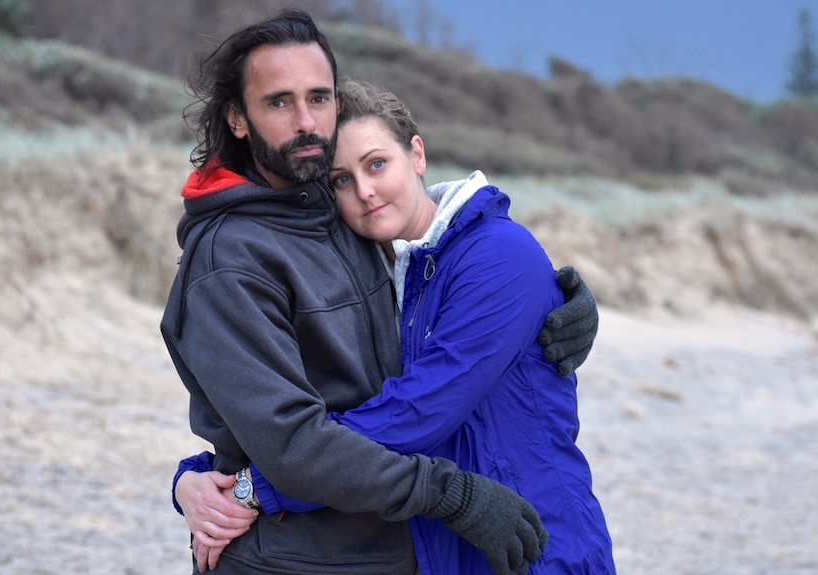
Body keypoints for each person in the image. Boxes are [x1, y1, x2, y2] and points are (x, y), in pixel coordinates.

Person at [162, 8, 599, 575]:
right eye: (278, 102)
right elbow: (307, 431)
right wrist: (202, 478)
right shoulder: (244, 258)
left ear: (415, 154)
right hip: (320, 556)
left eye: (319, 98)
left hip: (472, 546)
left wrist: (548, 296)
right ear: (238, 118)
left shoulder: (358, 224)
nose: (304, 121)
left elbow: (405, 397)